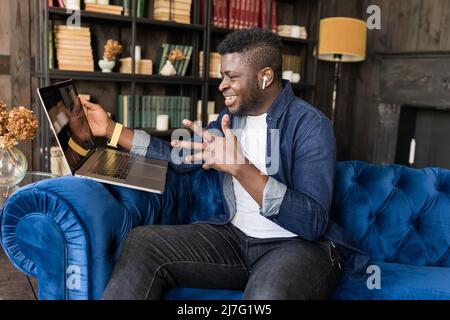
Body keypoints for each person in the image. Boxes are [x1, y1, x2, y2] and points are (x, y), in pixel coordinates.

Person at [79, 28, 368, 300]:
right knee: (143, 242)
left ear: (265, 77)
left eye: (231, 77)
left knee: (266, 296)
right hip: (235, 239)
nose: (222, 86)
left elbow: (312, 222)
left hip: (298, 246)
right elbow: (178, 156)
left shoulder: (310, 125)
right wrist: (112, 130)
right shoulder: (230, 120)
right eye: (221, 76)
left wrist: (241, 168)